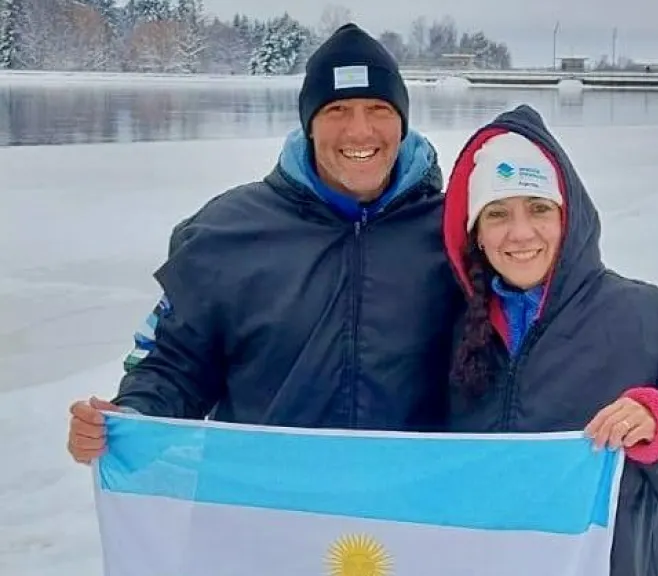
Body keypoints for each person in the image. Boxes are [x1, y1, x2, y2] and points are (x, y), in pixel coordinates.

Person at [66, 23, 461, 464]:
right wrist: (130, 417)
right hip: (264, 506)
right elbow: (175, 363)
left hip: (410, 509)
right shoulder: (226, 233)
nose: (359, 130)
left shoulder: (457, 233)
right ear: (309, 124)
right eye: (336, 111)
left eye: (378, 109)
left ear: (402, 122)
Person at [441, 105, 658, 576]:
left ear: (570, 218)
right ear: (475, 234)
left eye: (539, 209)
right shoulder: (450, 331)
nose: (520, 233)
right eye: (498, 214)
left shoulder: (652, 321)